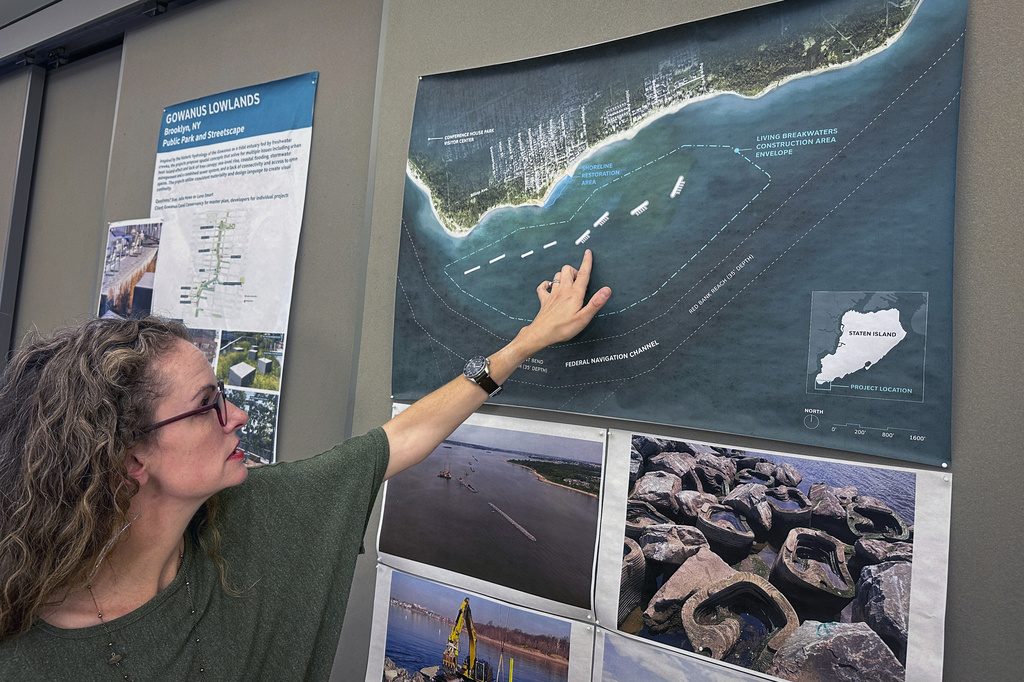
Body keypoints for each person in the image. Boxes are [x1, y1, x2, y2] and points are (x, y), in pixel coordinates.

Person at [0, 250, 610, 680]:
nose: (237, 416)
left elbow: (400, 438)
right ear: (130, 459)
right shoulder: (24, 654)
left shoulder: (253, 514)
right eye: (208, 406)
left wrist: (525, 343)